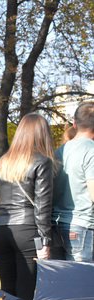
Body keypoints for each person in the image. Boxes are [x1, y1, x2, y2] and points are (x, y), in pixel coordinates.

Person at [0, 113, 55, 300]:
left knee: (7, 289)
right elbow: (43, 206)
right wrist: (45, 240)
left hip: (1, 230)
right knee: (26, 292)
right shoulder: (42, 161)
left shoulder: (4, 161)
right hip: (27, 231)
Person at [52, 101, 94, 262]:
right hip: (83, 225)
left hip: (56, 225)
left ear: (75, 123)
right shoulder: (91, 150)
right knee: (82, 283)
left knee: (64, 282)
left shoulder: (59, 151)